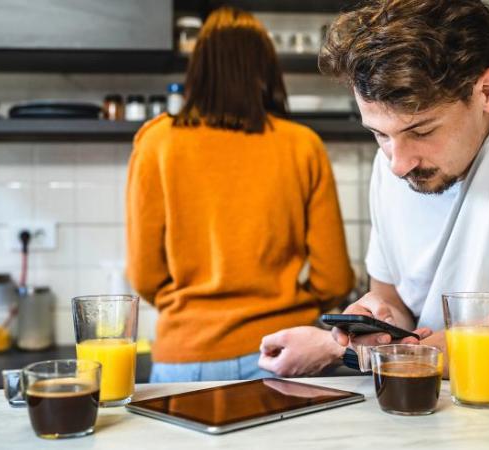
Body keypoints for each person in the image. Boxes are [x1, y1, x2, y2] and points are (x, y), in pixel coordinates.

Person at [258, 0, 489, 383]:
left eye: (421, 131)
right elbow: (394, 303)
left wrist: (344, 349)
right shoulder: (388, 167)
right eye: (379, 134)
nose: (398, 163)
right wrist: (378, 320)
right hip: (413, 412)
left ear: (487, 91)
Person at [126, 7, 356, 383]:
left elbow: (144, 275)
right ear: (266, 68)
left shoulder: (156, 144)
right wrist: (291, 307)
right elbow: (334, 279)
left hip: (186, 356)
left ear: (198, 68)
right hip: (282, 353)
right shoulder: (302, 145)